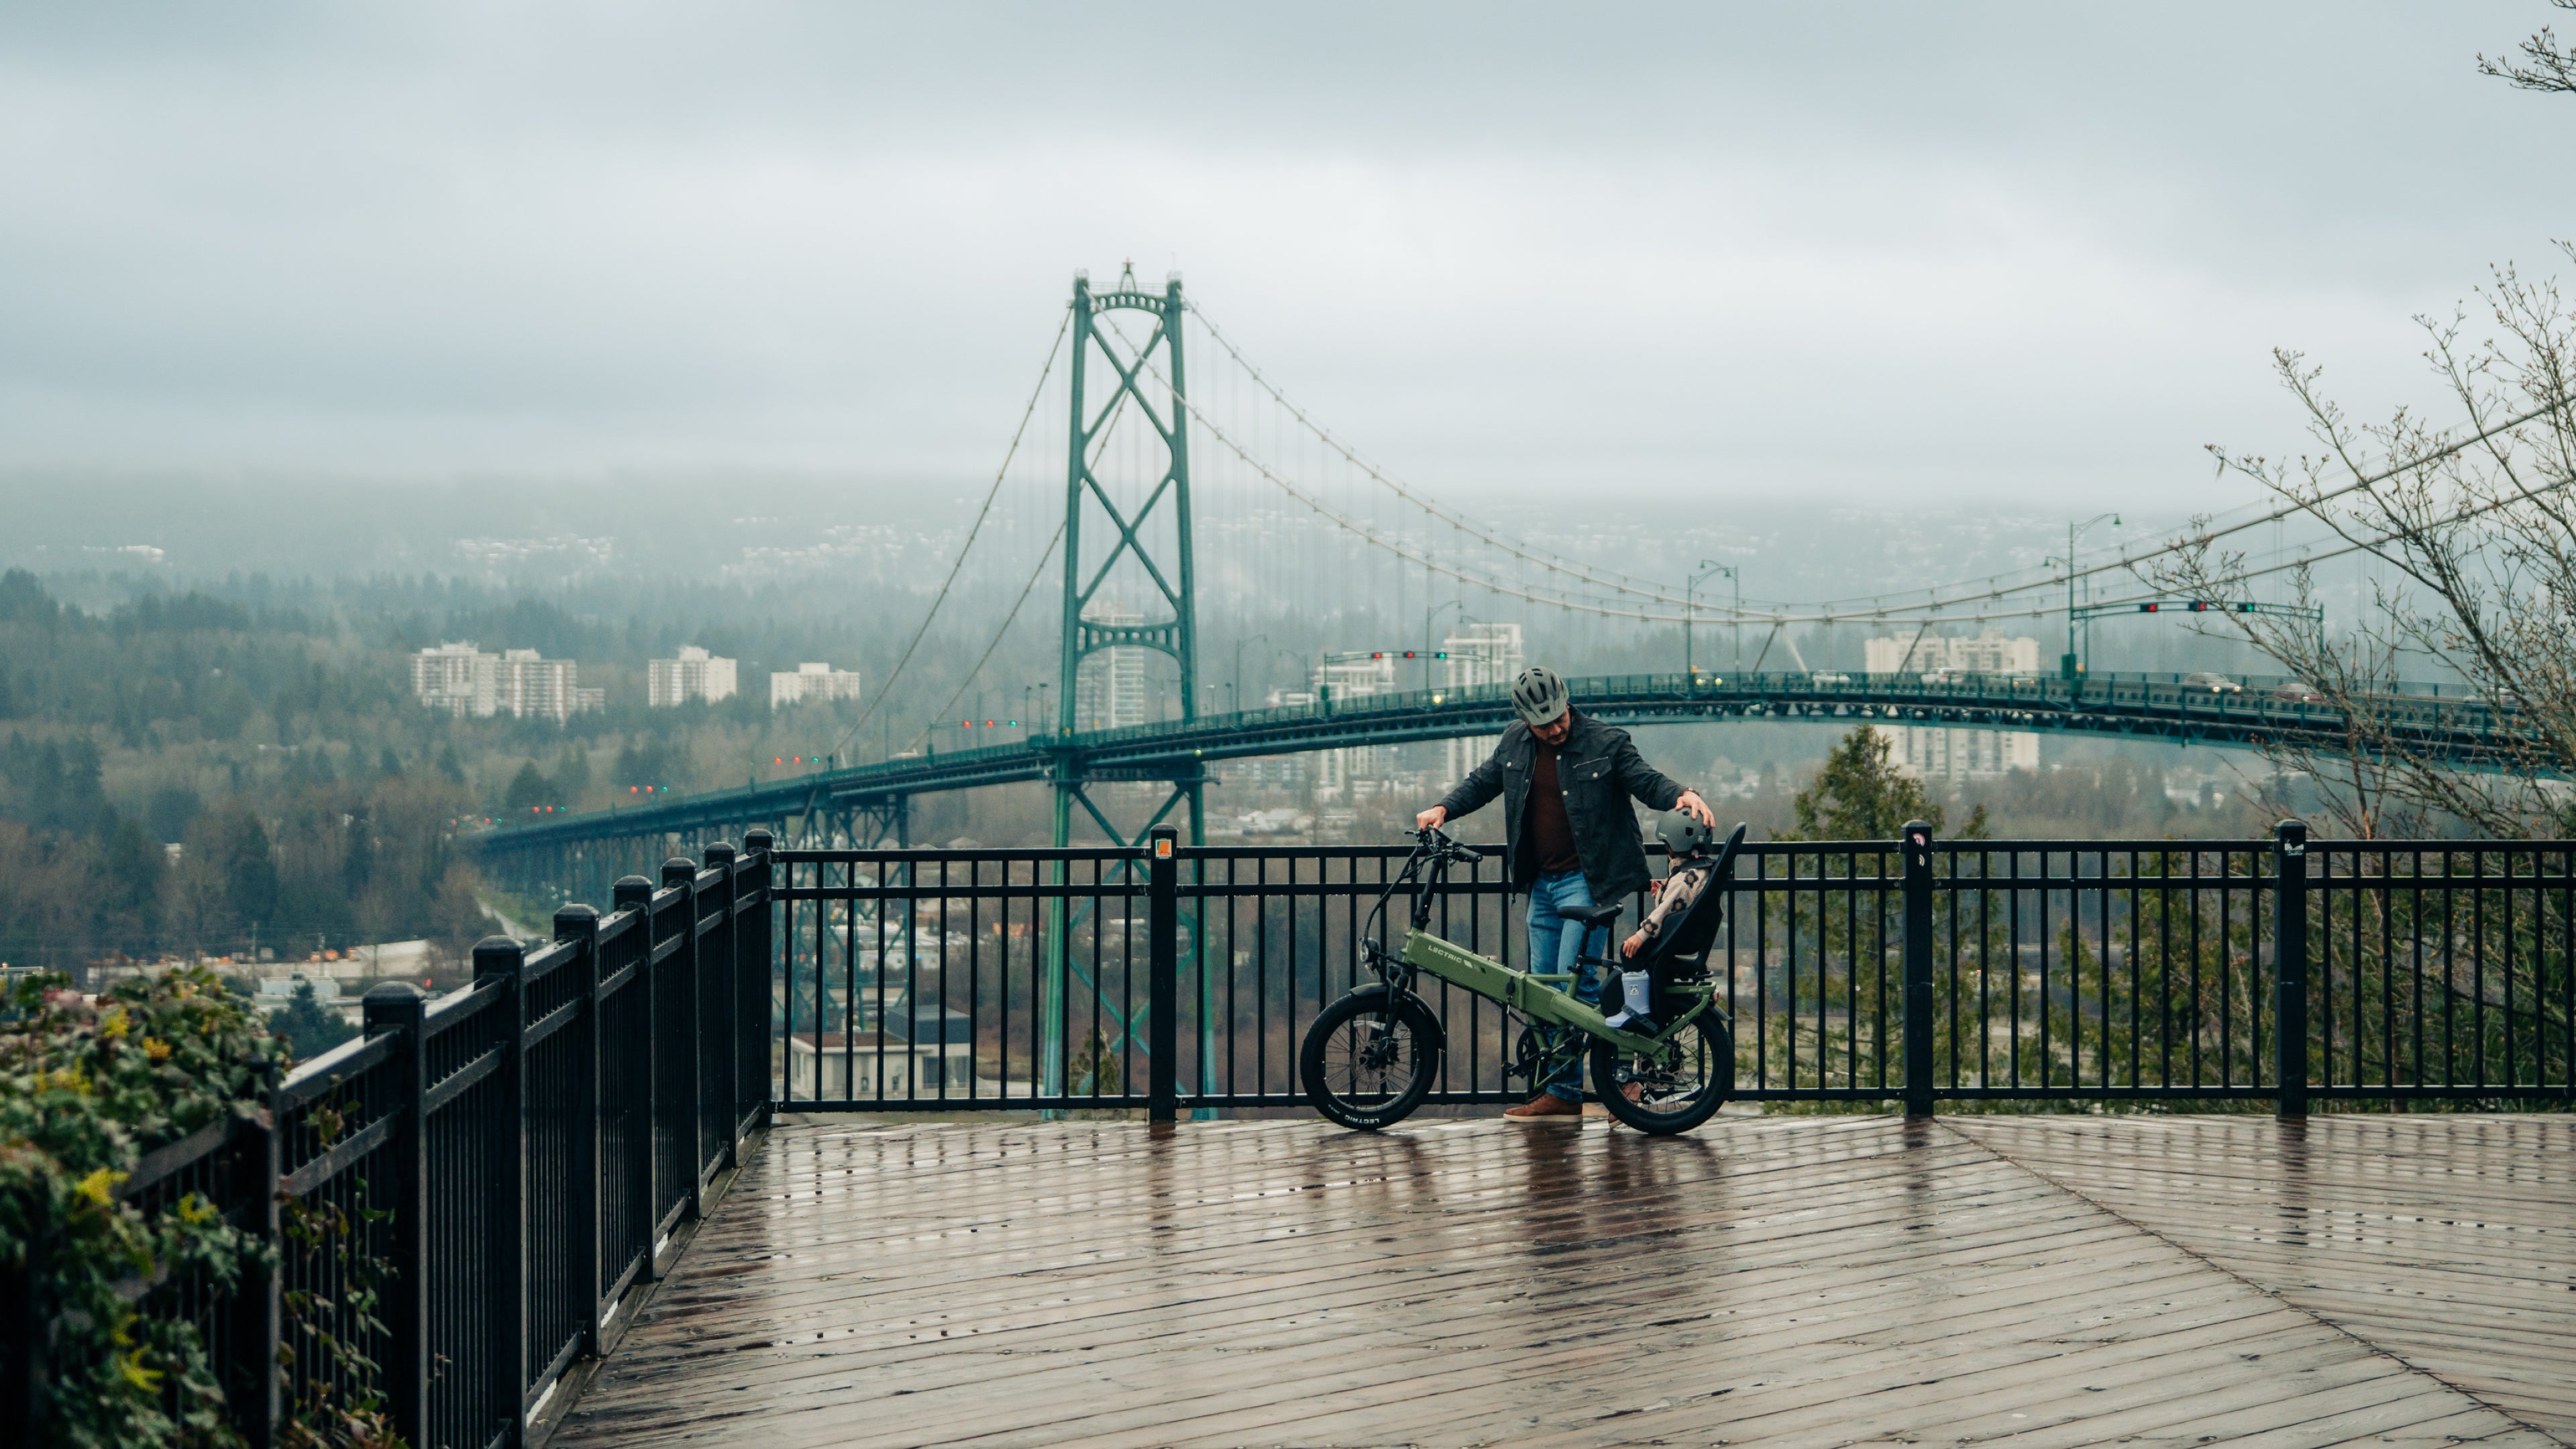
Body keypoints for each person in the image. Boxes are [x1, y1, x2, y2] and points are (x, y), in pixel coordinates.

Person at [1414, 665, 1716, 1118]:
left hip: (1589, 881)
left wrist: (1682, 794)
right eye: (1544, 724)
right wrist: (1443, 808)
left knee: (1576, 993)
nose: (1555, 728)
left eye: (1559, 718)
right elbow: (1482, 783)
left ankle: (1625, 1081)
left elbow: (1645, 780)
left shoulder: (1606, 742)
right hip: (1541, 882)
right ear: (1524, 720)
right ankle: (1563, 1094)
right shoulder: (1514, 743)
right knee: (1542, 989)